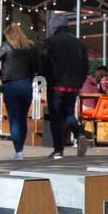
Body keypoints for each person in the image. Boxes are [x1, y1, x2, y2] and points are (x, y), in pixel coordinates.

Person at [42, 11, 91, 159]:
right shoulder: (78, 43)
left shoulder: (50, 42)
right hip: (73, 86)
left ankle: (58, 150)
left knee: (56, 117)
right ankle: (78, 133)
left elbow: (44, 62)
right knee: (68, 113)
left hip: (56, 85)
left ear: (53, 27)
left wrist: (45, 81)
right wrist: (80, 82)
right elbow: (86, 66)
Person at [0, 22, 40, 161]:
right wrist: (29, 79)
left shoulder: (6, 45)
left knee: (14, 119)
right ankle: (21, 149)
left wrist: (1, 75)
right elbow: (35, 66)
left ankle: (18, 152)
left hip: (10, 85)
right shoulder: (30, 46)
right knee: (23, 118)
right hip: (25, 84)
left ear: (8, 34)